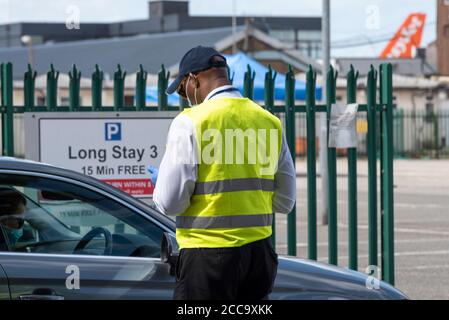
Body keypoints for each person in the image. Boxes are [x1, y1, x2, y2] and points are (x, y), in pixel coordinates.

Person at [153, 46, 296, 300]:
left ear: (193, 79)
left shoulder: (190, 122)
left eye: (182, 89)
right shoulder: (269, 121)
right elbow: (285, 202)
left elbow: (170, 201)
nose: (184, 97)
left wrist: (159, 187)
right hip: (258, 258)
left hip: (207, 257)